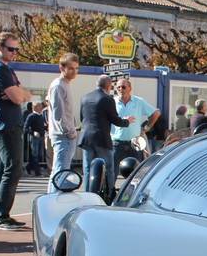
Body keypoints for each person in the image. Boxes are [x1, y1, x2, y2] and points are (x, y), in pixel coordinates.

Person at [0, 31, 31, 230]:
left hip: (5, 124)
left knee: (4, 169)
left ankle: (0, 214)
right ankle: (1, 216)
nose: (14, 53)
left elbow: (24, 94)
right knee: (13, 167)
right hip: (5, 125)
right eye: (11, 49)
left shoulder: (5, 69)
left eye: (16, 49)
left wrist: (18, 91)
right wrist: (18, 92)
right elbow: (19, 98)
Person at [78, 75, 133, 191]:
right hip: (102, 138)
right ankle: (109, 192)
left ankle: (87, 192)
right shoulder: (107, 99)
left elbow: (82, 117)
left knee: (88, 168)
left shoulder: (84, 98)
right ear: (109, 86)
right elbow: (115, 119)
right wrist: (127, 121)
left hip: (86, 138)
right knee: (109, 167)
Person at [111, 79, 158, 180]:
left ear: (130, 88)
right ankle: (110, 194)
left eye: (123, 87)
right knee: (112, 172)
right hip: (116, 144)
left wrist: (146, 128)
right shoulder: (112, 102)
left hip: (134, 144)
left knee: (136, 174)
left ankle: (134, 194)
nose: (120, 89)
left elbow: (155, 113)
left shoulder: (138, 102)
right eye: (118, 87)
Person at [46, 52, 78, 192]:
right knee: (60, 172)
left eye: (76, 68)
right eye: (71, 68)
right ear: (62, 68)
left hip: (64, 134)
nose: (74, 71)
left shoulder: (63, 85)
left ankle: (53, 197)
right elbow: (59, 113)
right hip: (62, 135)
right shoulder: (58, 85)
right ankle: (53, 199)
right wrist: (69, 132)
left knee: (60, 171)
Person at [24, 100, 47, 176]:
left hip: (41, 137)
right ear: (34, 107)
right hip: (34, 138)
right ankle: (37, 173)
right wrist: (33, 132)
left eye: (41, 105)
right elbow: (26, 127)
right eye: (39, 106)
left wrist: (46, 128)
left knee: (38, 154)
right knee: (35, 154)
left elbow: (42, 126)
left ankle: (28, 167)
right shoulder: (31, 116)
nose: (41, 107)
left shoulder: (41, 116)